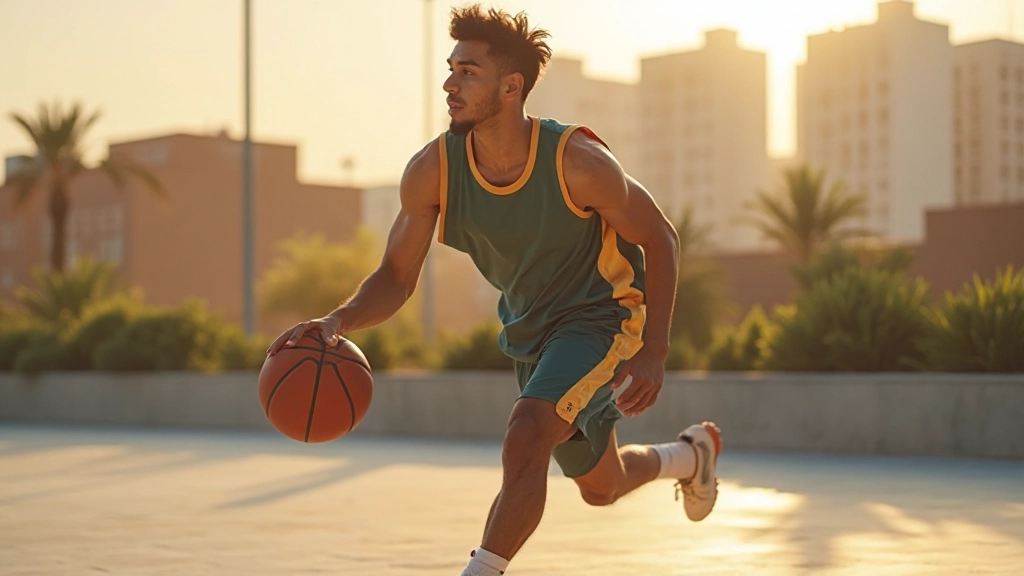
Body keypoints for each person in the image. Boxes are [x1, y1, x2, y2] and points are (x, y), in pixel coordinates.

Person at [267, 5, 721, 575]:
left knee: (527, 432)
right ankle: (689, 455)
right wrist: (338, 320)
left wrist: (654, 350)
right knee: (601, 487)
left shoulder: (576, 162)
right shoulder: (433, 170)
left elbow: (661, 237)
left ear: (511, 87)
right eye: (452, 68)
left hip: (604, 316)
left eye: (468, 72)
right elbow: (395, 278)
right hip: (532, 333)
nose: (450, 83)